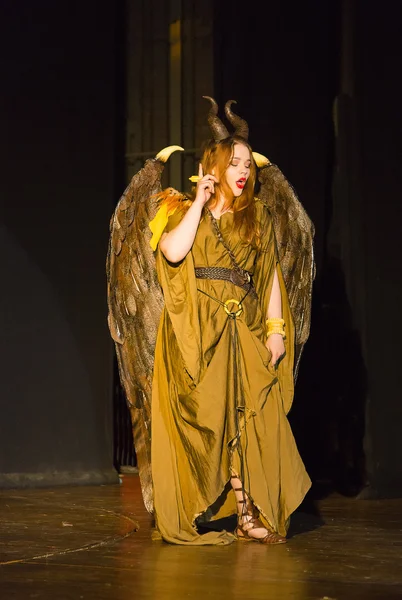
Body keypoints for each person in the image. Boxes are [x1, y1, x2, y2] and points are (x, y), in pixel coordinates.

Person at [107, 97, 315, 546]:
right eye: (234, 162)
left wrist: (276, 331)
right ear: (213, 167)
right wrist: (200, 202)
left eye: (247, 165)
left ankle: (248, 514)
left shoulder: (258, 217)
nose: (243, 172)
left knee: (250, 419)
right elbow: (173, 252)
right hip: (195, 332)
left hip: (245, 328)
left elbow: (272, 280)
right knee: (211, 422)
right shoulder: (180, 209)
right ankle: (207, 503)